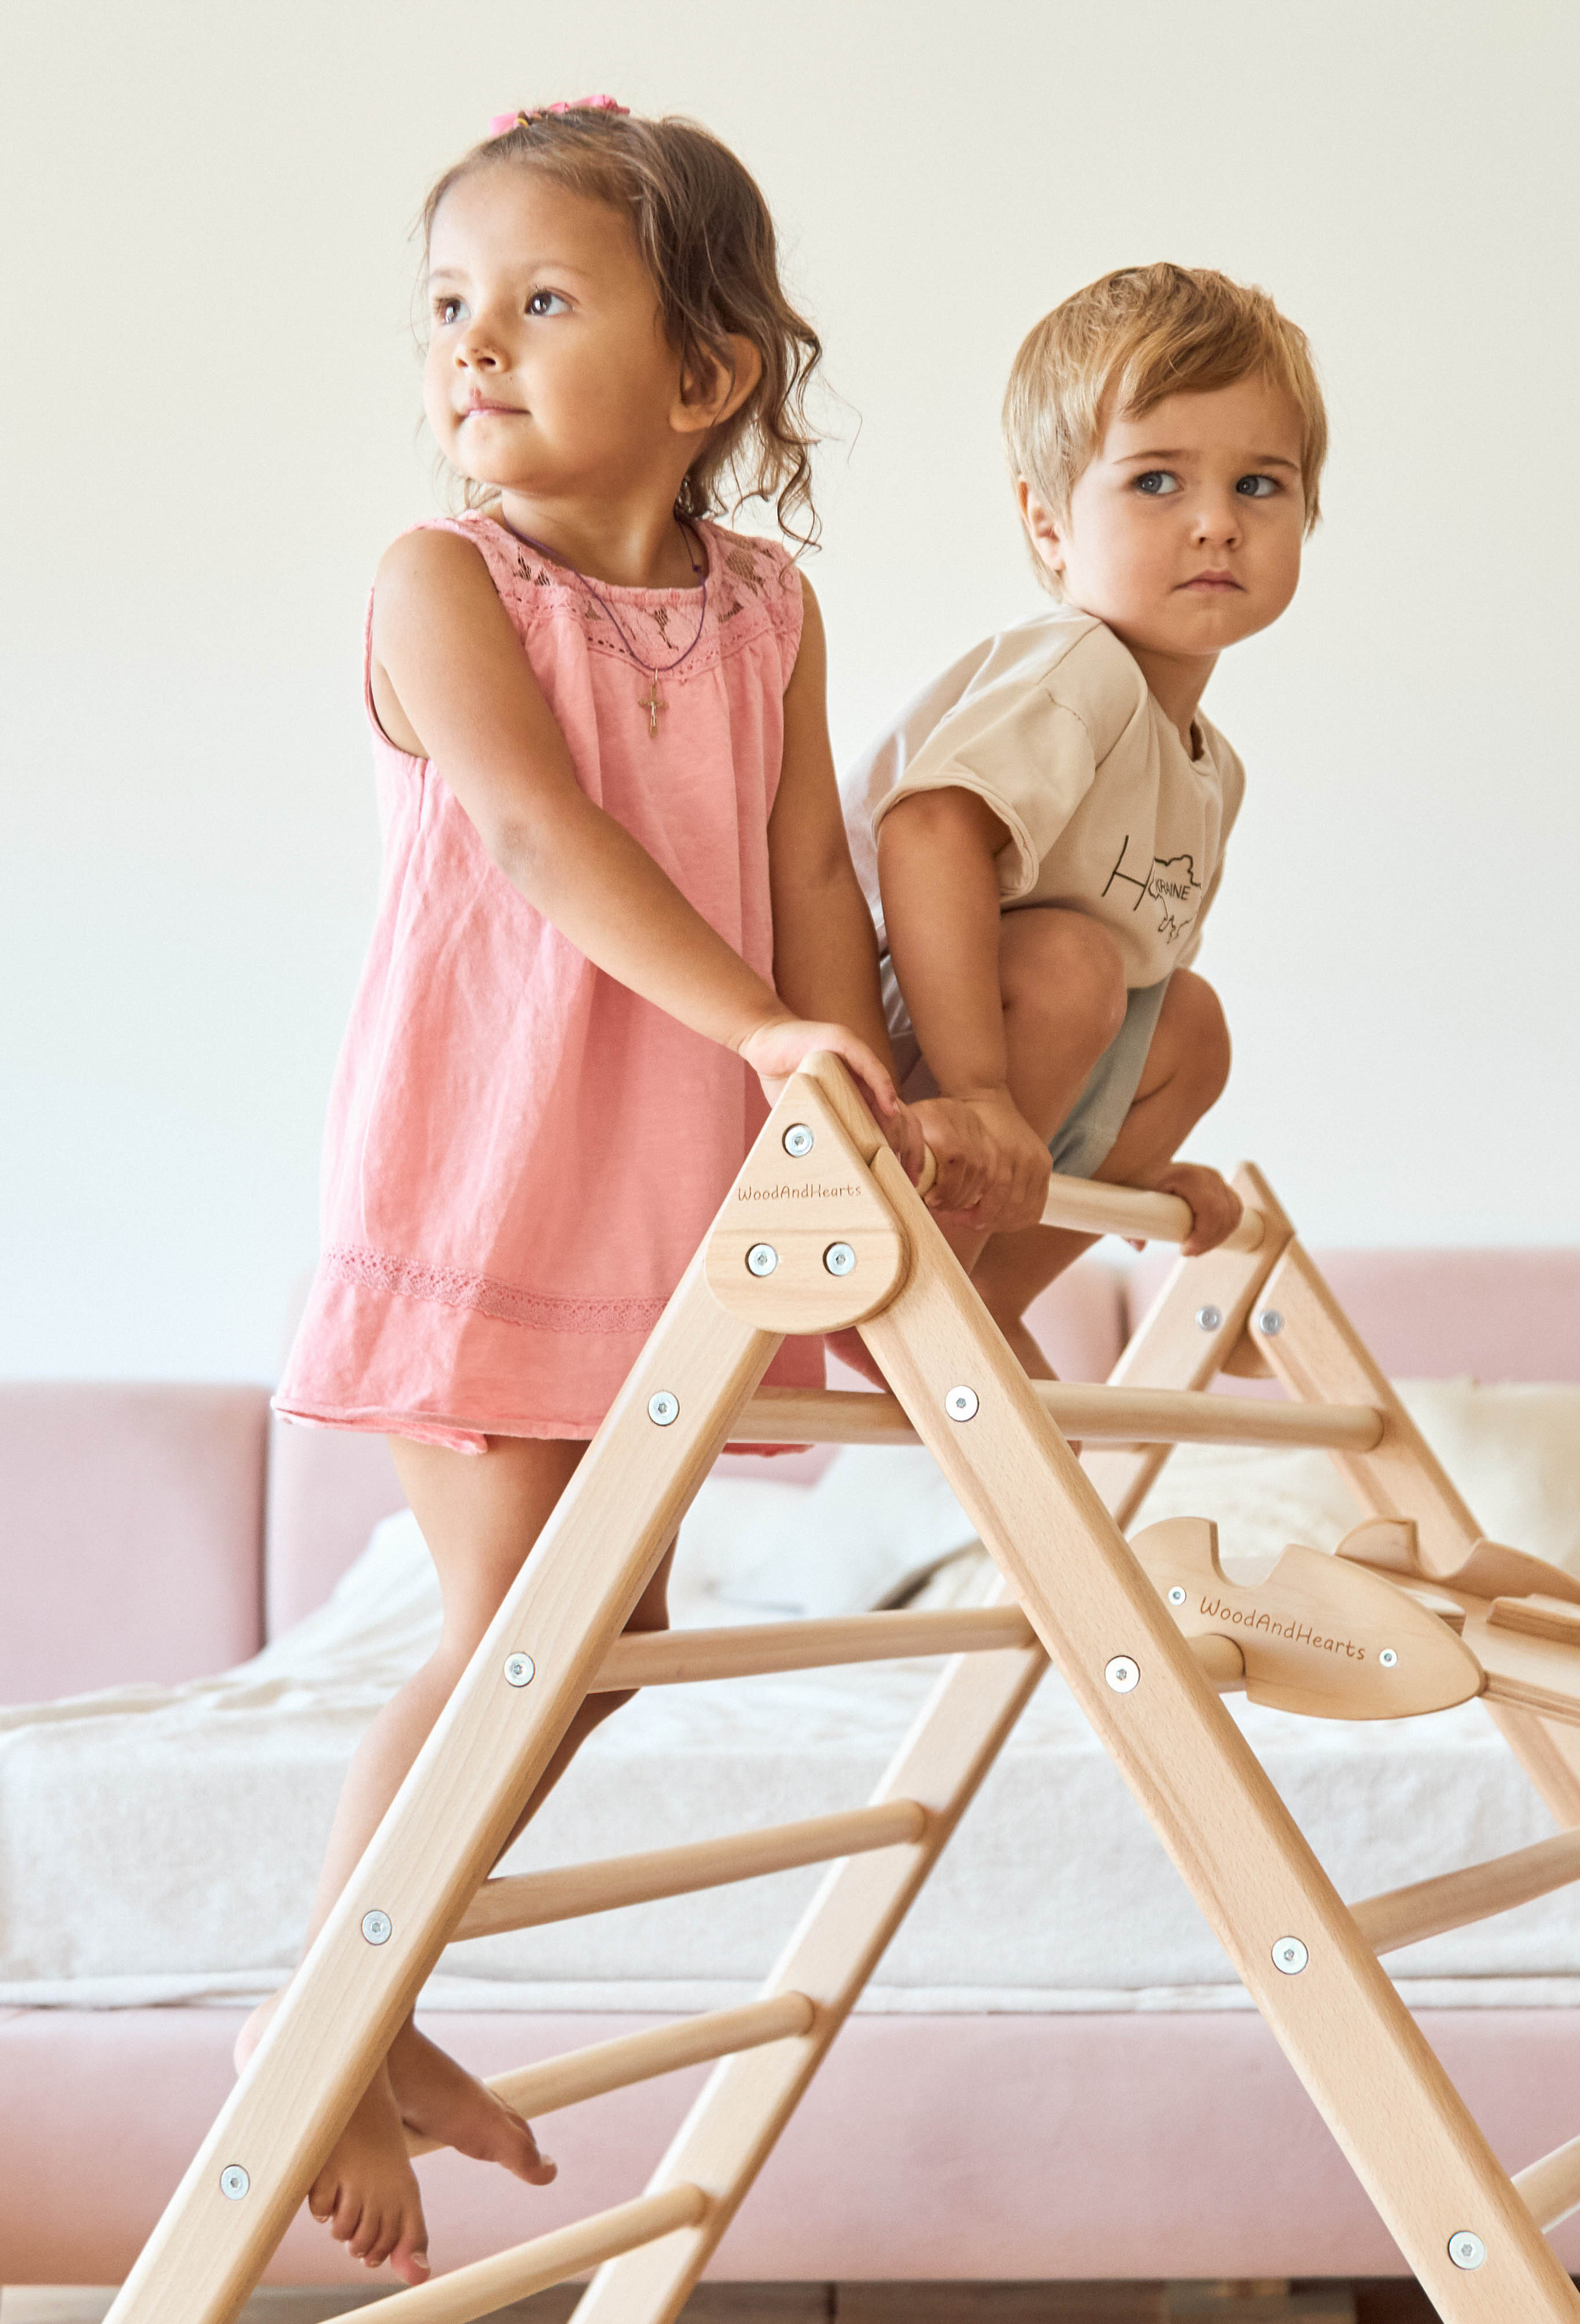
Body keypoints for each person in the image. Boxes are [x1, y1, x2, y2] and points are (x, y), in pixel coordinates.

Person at [263, 98, 927, 2285]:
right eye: (447, 306)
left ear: (703, 374)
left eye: (540, 302)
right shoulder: (438, 583)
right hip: (484, 1177)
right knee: (506, 1631)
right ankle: (336, 2028)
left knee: (602, 1645)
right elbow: (545, 842)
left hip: (662, 1203)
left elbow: (815, 868)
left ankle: (390, 1988)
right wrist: (760, 1036)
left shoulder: (765, 609)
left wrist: (849, 1095)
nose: (471, 346)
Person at [841, 263, 1327, 1375]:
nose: (1216, 524)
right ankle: (910, 1290)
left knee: (1188, 1021)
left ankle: (970, 1297)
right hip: (882, 1041)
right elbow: (925, 831)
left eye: (1261, 486)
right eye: (1157, 482)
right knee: (1072, 964)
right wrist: (972, 1090)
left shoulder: (1212, 771)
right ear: (1048, 523)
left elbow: (1126, 1032)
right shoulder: (1078, 669)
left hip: (1008, 1055)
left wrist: (1126, 1174)